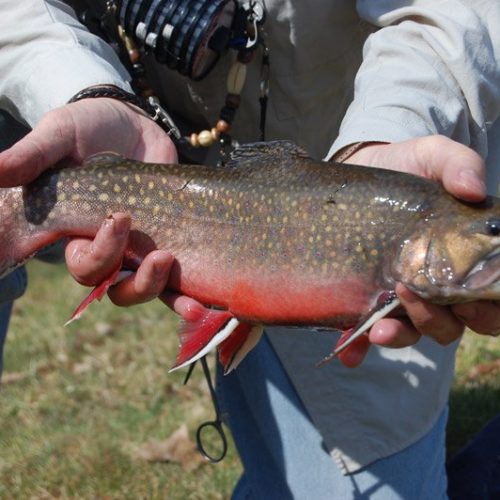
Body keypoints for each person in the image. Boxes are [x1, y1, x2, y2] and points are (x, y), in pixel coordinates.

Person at [0, 1, 499, 497]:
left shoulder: (412, 204)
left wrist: (392, 132)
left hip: (349, 133)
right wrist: (82, 87)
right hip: (78, 100)